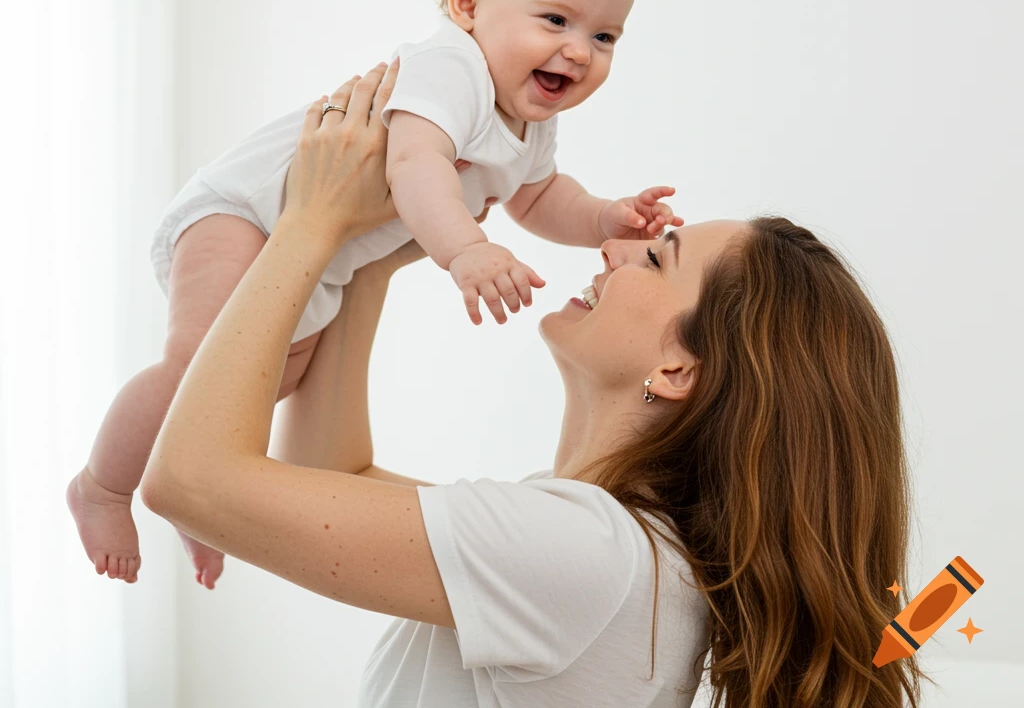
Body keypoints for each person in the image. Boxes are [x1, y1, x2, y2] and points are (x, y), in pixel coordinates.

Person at [140, 62, 924, 708]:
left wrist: (310, 220)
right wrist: (371, 249)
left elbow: (190, 481)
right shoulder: (612, 550)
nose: (617, 252)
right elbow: (323, 475)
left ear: (679, 368)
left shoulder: (589, 555)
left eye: (656, 260)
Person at [65, 0, 682, 588]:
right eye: (556, 21)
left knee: (260, 384)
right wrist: (465, 250)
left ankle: (192, 495)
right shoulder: (452, 70)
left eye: (604, 36)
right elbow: (414, 167)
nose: (579, 51)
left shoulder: (526, 121)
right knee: (201, 365)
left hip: (315, 252)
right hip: (246, 214)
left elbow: (539, 196)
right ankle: (102, 487)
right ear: (467, 4)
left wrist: (604, 215)